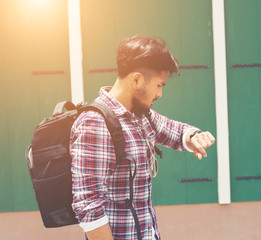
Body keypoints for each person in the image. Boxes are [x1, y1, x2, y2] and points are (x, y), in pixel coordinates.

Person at [70, 35, 216, 240]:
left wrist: (194, 136)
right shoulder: (96, 123)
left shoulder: (140, 115)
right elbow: (88, 204)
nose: (160, 93)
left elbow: (174, 130)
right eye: (159, 85)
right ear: (136, 79)